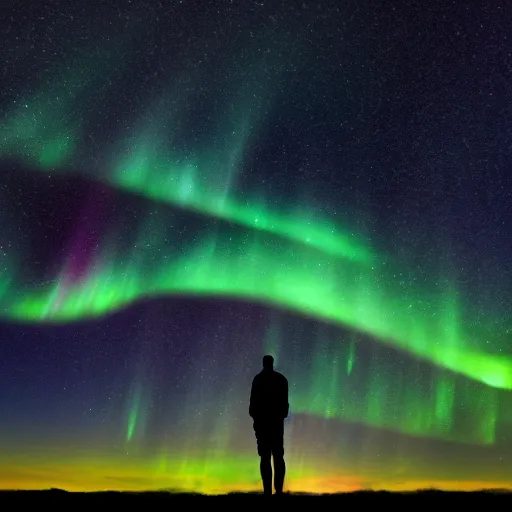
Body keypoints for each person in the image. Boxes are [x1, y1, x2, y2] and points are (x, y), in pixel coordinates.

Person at [249, 354, 289, 496]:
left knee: (266, 457)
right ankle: (277, 490)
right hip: (275, 425)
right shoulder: (281, 380)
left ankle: (268, 492)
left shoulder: (258, 380)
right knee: (277, 456)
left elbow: (252, 407)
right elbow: (285, 407)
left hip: (264, 425)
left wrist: (257, 420)